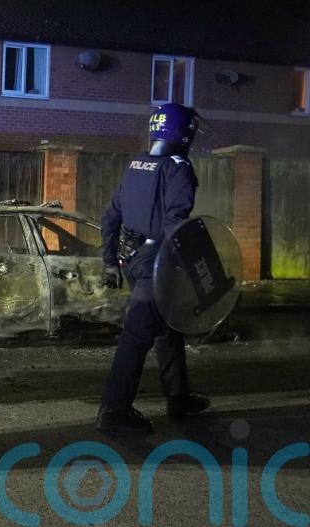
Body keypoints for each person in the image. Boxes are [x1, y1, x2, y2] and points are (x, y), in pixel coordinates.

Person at [96, 103, 210, 434]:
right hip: (157, 263)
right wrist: (195, 272)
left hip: (130, 259)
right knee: (136, 336)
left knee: (168, 326)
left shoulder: (136, 165)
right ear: (183, 132)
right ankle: (114, 411)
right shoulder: (178, 168)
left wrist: (109, 261)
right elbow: (176, 225)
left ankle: (178, 396)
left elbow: (110, 216)